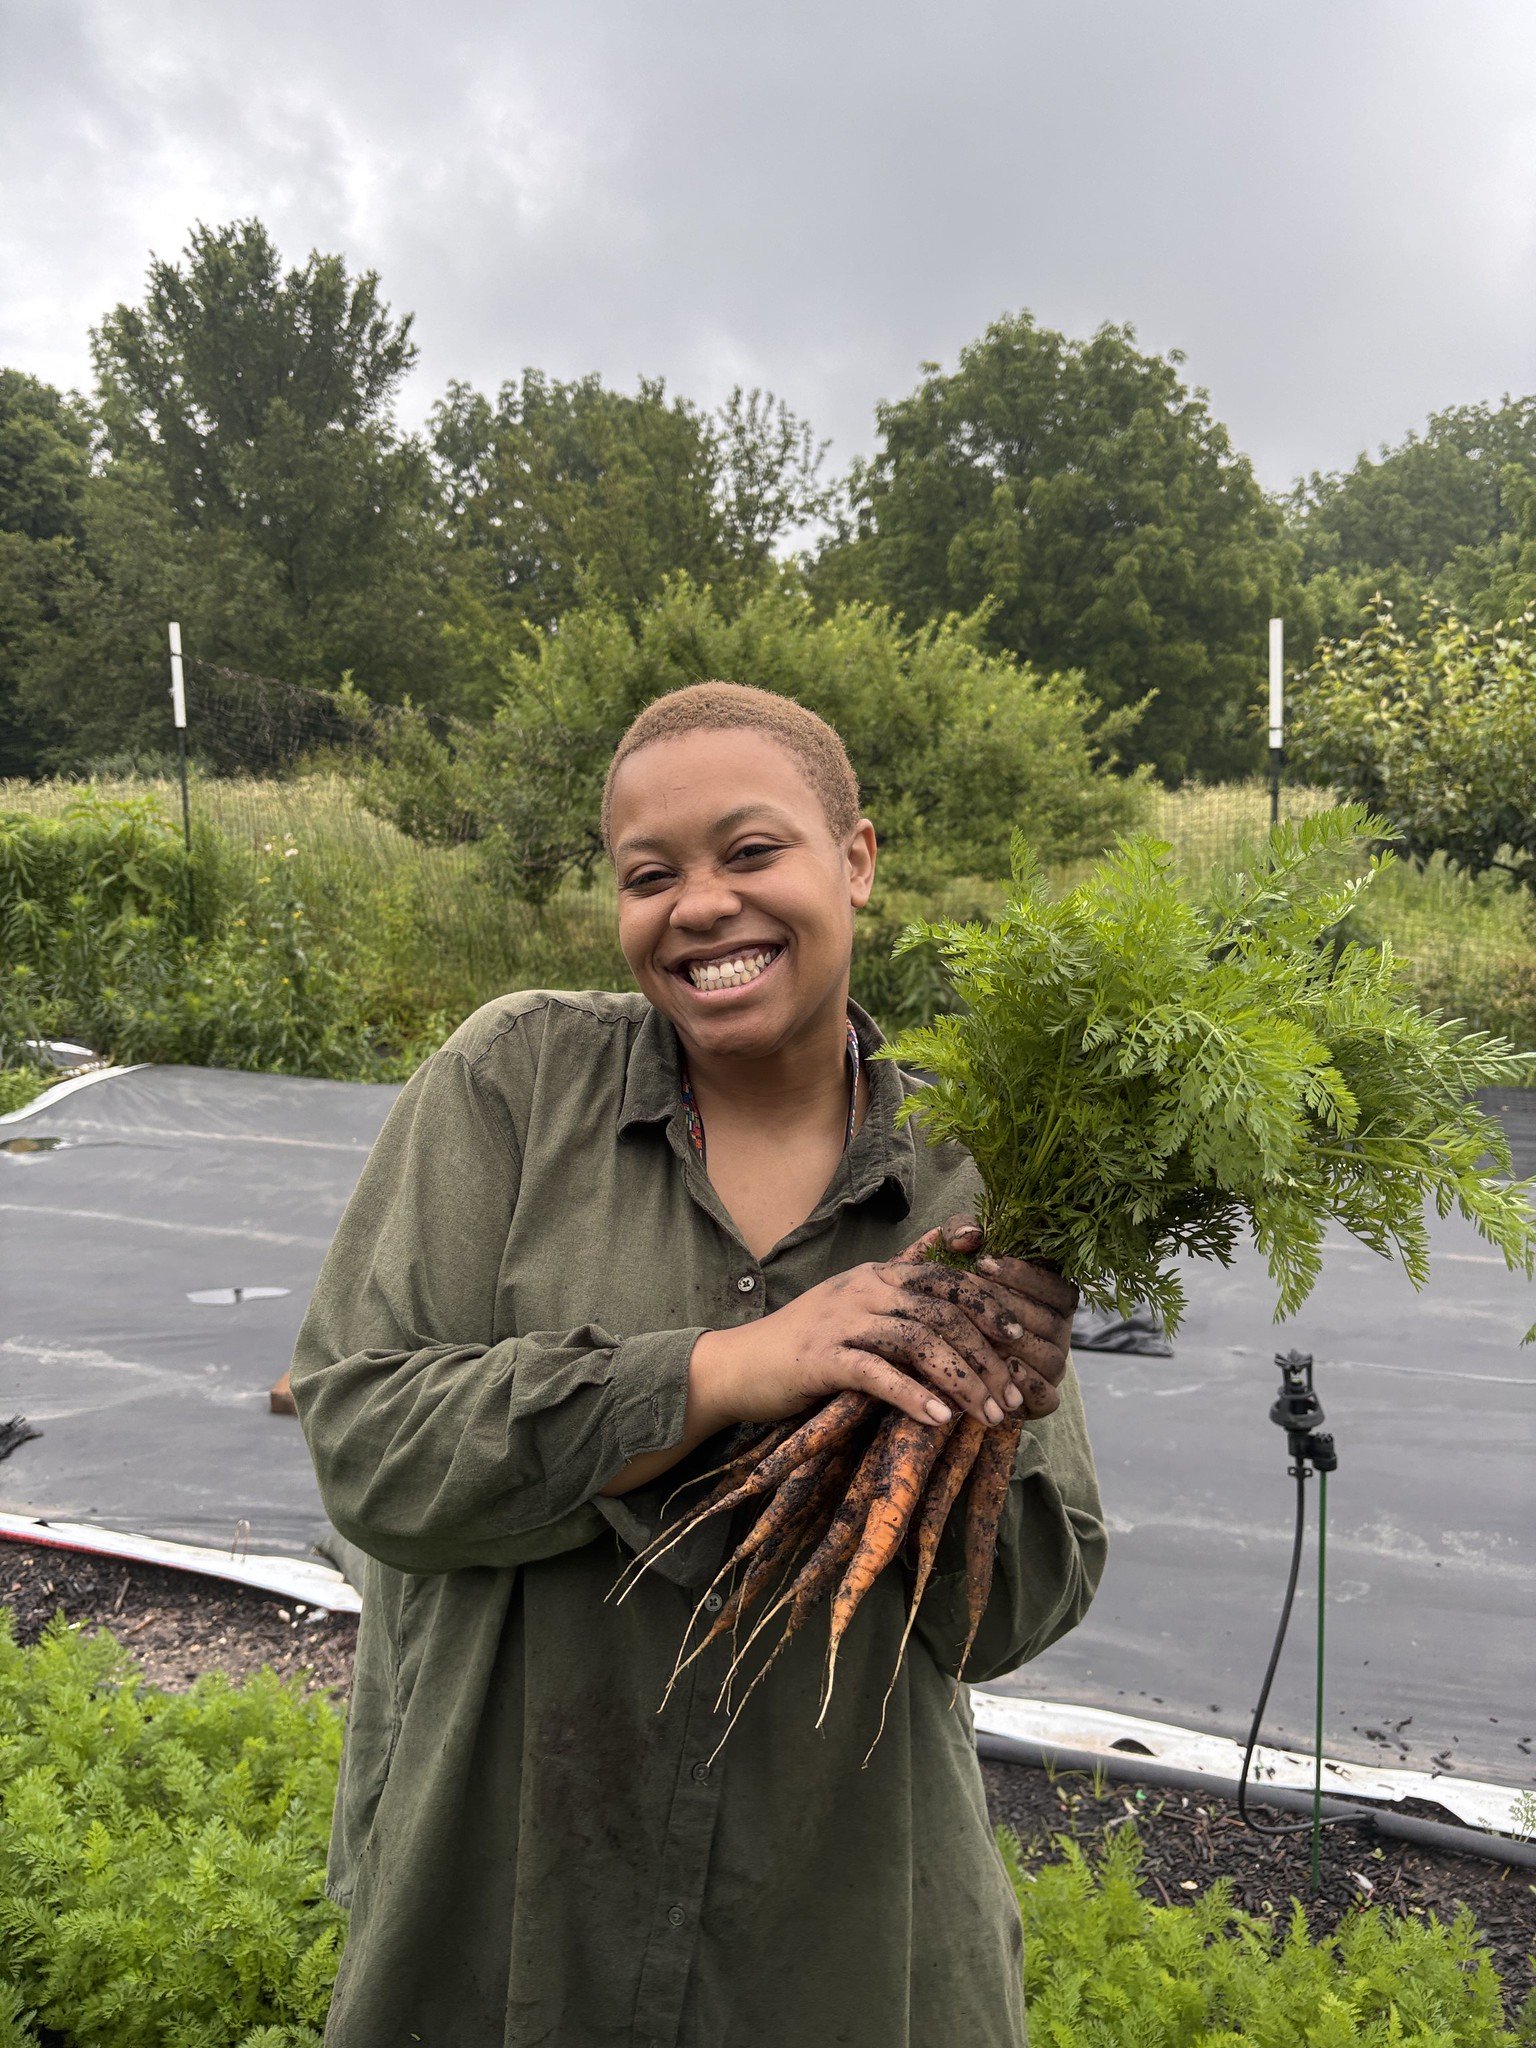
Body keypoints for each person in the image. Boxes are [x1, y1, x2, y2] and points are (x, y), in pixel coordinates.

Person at [290, 681, 1108, 2048]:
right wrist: (724, 1373)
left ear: (854, 861)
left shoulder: (966, 1172)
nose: (701, 907)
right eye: (648, 875)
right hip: (505, 1918)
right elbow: (370, 1444)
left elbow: (1012, 1620)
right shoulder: (512, 1084)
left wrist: (994, 1433)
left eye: (751, 852)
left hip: (840, 1947)